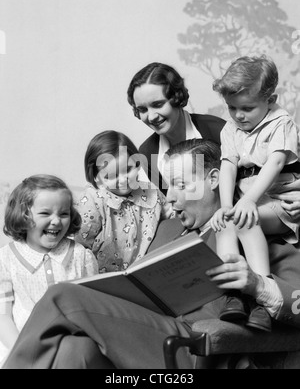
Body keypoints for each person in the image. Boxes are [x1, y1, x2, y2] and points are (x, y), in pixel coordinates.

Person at [3, 139, 300, 369]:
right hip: (139, 335)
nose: (170, 196)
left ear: (213, 180)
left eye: (182, 185)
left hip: (194, 347)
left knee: (62, 296)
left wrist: (258, 285)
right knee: (74, 350)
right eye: (168, 186)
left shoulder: (256, 231)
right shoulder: (166, 229)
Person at [210, 55, 300, 331]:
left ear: (270, 99)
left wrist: (248, 200)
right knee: (226, 223)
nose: (238, 115)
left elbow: (275, 162)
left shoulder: (280, 121)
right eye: (232, 108)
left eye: (247, 108)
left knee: (248, 221)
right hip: (246, 201)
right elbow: (227, 164)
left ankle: (261, 293)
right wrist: (226, 205)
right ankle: (233, 294)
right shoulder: (231, 129)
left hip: (277, 201)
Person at [0, 174, 99, 365]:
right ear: (23, 215)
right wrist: (21, 351)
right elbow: (2, 315)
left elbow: (93, 307)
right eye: (45, 214)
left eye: (63, 214)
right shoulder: (6, 259)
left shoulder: (81, 256)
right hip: (21, 343)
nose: (56, 221)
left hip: (72, 342)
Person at [75, 130, 173, 273]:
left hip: (148, 273)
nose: (123, 180)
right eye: (111, 176)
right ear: (96, 177)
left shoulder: (152, 193)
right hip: (104, 280)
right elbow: (79, 247)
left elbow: (173, 220)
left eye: (128, 169)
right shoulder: (93, 201)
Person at [127, 62, 225, 193]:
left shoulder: (219, 130)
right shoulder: (147, 151)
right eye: (142, 109)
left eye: (158, 104)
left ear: (177, 97)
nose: (151, 117)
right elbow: (170, 200)